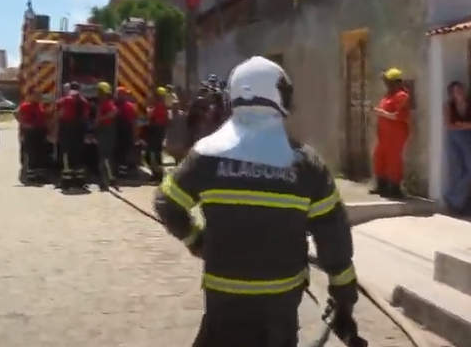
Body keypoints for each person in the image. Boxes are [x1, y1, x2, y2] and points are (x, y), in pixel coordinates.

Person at [152, 56, 365, 347]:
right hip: (280, 305)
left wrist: (195, 240)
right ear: (281, 97)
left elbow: (166, 202)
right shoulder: (307, 164)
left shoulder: (205, 155)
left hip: (224, 299)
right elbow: (334, 234)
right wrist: (344, 299)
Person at [370, 68, 410, 198]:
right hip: (384, 134)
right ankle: (382, 186)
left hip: (396, 134)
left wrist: (383, 114)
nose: (386, 84)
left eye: (388, 81)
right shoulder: (388, 95)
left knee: (393, 160)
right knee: (379, 157)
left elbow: (400, 116)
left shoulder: (401, 96)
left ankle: (395, 188)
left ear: (396, 82)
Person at [443, 81, 471, 214]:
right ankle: (457, 204)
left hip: (469, 138)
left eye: (460, 89)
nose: (459, 93)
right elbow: (448, 125)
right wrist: (463, 125)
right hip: (453, 138)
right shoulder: (449, 105)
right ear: (452, 93)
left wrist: (461, 125)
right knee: (457, 170)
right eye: (455, 91)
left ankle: (453, 198)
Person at [56, 82, 90, 189]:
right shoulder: (84, 101)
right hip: (80, 130)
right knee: (78, 154)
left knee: (66, 154)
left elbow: (60, 113)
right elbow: (86, 116)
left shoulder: (65, 99)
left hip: (67, 129)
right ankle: (80, 181)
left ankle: (67, 181)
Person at [17, 88, 47, 183]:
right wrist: (25, 124)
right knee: (32, 154)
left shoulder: (39, 106)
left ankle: (38, 175)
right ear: (32, 96)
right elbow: (17, 114)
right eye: (37, 95)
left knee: (39, 154)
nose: (40, 97)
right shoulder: (26, 105)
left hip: (40, 132)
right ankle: (32, 176)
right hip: (30, 132)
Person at [96, 82, 119, 190]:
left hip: (107, 131)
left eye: (99, 91)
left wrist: (101, 119)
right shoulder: (103, 102)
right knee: (104, 157)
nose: (97, 93)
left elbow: (114, 112)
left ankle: (109, 180)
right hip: (105, 131)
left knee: (105, 157)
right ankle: (105, 180)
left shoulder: (107, 103)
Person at [145, 87, 169, 181]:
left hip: (155, 132)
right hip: (158, 133)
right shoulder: (163, 107)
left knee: (151, 155)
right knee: (156, 155)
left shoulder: (158, 107)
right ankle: (158, 174)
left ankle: (158, 174)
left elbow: (151, 117)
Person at [114, 87, 137, 177]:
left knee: (121, 153)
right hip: (127, 130)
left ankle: (122, 172)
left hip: (122, 131)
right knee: (123, 152)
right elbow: (134, 120)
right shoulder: (130, 106)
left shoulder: (117, 105)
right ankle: (122, 171)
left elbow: (134, 120)